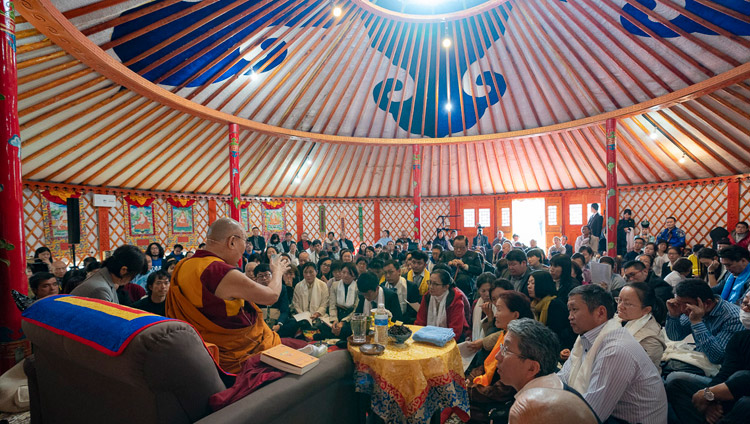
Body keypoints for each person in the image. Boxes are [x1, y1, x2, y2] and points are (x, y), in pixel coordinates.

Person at [165, 218, 288, 373]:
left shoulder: (184, 265)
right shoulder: (220, 272)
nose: (244, 248)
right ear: (232, 242)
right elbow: (271, 296)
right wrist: (277, 271)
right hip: (237, 355)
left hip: (198, 349)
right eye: (245, 240)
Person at [558, 285, 667, 423]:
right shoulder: (586, 337)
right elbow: (563, 378)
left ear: (600, 312)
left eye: (574, 310)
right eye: (619, 301)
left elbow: (591, 414)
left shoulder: (616, 349)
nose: (570, 317)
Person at [666, 291, 750, 424]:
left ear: (706, 303)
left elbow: (716, 358)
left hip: (738, 391)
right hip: (726, 388)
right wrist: (674, 316)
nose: (745, 309)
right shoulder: (741, 337)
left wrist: (709, 395)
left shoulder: (731, 316)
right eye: (744, 303)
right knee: (675, 384)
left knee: (745, 403)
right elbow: (726, 372)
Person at [466, 292, 534, 423]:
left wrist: (469, 389)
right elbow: (486, 365)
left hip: (497, 403)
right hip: (485, 390)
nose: (495, 314)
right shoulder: (504, 334)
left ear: (515, 315)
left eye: (499, 309)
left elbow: (502, 391)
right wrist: (470, 379)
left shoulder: (521, 344)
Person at [665, 278, 743, 365]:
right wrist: (673, 316)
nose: (683, 310)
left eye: (687, 304)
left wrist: (697, 322)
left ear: (708, 303)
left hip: (723, 369)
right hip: (700, 359)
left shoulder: (733, 318)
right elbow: (675, 336)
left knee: (675, 376)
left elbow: (717, 358)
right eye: (679, 304)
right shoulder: (691, 309)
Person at [614, 282, 666, 371]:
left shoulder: (650, 339)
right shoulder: (617, 319)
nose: (620, 306)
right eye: (619, 300)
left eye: (628, 304)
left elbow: (635, 372)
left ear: (646, 310)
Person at [72, 245, 148, 304]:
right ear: (124, 270)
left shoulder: (104, 278)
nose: (131, 280)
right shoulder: (100, 290)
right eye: (133, 275)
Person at [415, 269, 469, 342]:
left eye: (435, 284)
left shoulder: (455, 300)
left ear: (446, 287)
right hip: (427, 336)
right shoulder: (427, 296)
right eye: (430, 282)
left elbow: (455, 331)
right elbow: (420, 321)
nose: (431, 287)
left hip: (449, 339)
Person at [527, 271, 575, 349]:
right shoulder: (534, 305)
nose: (529, 286)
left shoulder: (555, 305)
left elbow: (558, 333)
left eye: (533, 283)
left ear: (543, 284)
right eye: (528, 283)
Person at [253, 263, 294, 337]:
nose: (264, 278)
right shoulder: (253, 291)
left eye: (267, 275)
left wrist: (279, 324)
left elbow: (285, 310)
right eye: (260, 276)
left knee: (293, 323)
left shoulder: (281, 288)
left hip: (277, 323)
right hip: (260, 324)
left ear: (272, 276)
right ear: (255, 279)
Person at [328, 262, 359, 337]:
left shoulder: (357, 287)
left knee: (346, 329)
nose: (345, 275)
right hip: (337, 315)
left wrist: (343, 322)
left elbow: (356, 309)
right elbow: (332, 305)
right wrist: (335, 320)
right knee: (326, 326)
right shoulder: (335, 285)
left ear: (354, 275)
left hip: (350, 317)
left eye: (349, 273)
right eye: (343, 272)